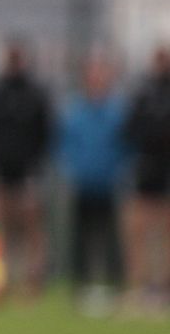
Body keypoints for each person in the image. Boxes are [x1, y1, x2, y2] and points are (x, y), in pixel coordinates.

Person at [0, 39, 54, 301]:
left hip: (28, 175)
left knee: (31, 231)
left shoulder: (35, 95)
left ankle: (31, 285)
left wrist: (37, 166)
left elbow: (46, 134)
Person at [56, 50, 128, 313]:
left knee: (110, 237)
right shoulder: (75, 110)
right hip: (82, 183)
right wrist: (70, 169)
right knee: (80, 237)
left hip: (108, 183)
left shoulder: (116, 111)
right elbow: (64, 144)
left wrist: (120, 169)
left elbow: (126, 145)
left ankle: (114, 284)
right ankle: (81, 284)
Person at [122, 45, 170, 311]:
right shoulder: (143, 92)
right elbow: (130, 129)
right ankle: (139, 286)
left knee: (166, 232)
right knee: (138, 229)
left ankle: (164, 287)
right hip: (146, 171)